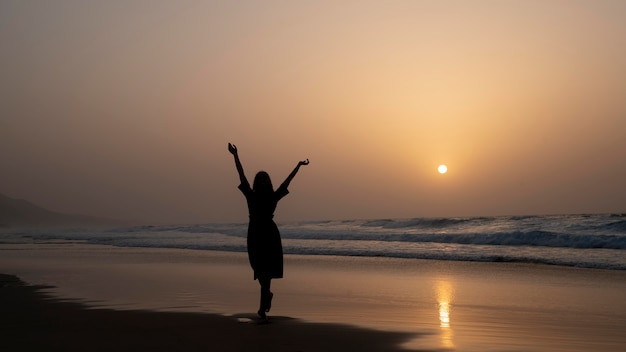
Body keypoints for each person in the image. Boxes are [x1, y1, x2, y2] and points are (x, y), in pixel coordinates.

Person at [228, 143, 309, 320]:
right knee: (260, 271)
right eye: (261, 179)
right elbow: (241, 176)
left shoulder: (273, 196)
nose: (264, 181)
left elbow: (286, 182)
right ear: (257, 182)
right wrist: (235, 155)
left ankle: (262, 309)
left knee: (266, 273)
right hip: (255, 235)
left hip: (270, 236)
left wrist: (298, 166)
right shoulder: (251, 194)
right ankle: (267, 297)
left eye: (266, 179)